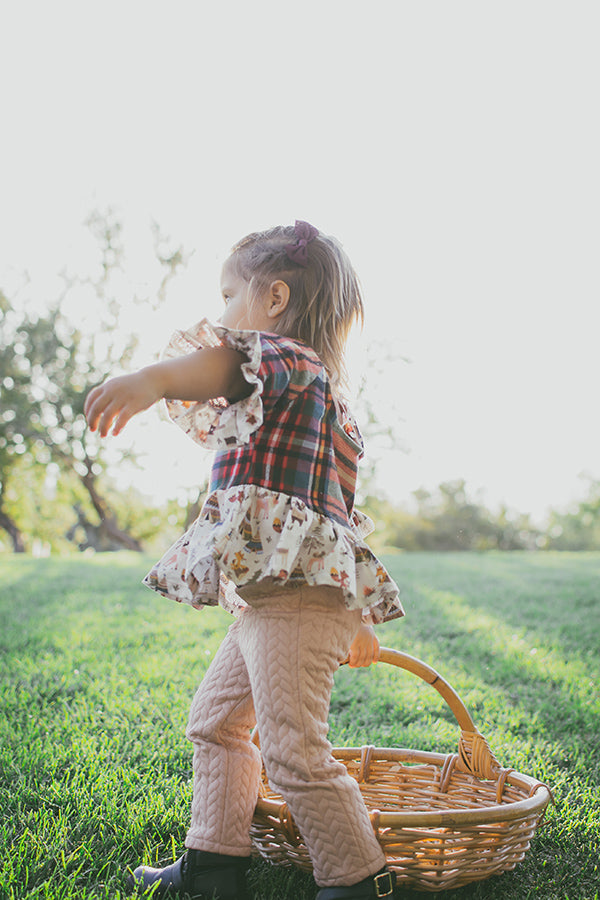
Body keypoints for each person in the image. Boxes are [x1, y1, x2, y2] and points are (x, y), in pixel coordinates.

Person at [85, 220, 404, 900]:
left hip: (292, 602)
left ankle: (356, 879)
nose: (224, 315)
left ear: (276, 299)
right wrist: (356, 619)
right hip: (276, 600)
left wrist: (150, 380)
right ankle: (214, 865)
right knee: (218, 723)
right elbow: (337, 521)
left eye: (231, 296)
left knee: (292, 749)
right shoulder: (319, 404)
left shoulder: (286, 360)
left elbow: (225, 363)